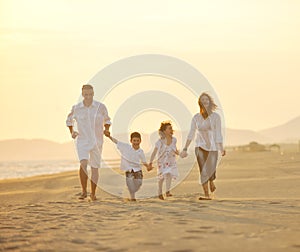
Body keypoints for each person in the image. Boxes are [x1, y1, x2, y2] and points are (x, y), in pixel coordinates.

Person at [66, 84, 111, 201]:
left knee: (95, 167)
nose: (88, 97)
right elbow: (69, 121)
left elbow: (108, 120)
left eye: (90, 94)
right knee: (83, 163)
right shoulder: (77, 108)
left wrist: (106, 129)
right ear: (82, 95)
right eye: (86, 94)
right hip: (82, 140)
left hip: (97, 141)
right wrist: (72, 132)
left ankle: (93, 193)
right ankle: (84, 191)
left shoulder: (100, 107)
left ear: (93, 94)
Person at [180, 92, 225, 200]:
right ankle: (207, 195)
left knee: (211, 169)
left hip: (213, 147)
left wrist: (221, 148)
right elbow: (191, 133)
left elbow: (218, 133)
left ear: (209, 102)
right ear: (200, 103)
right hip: (199, 146)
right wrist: (185, 148)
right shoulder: (196, 117)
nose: (205, 101)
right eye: (203, 100)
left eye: (206, 100)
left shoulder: (216, 117)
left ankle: (211, 181)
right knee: (203, 170)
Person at [106, 132, 151, 201]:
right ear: (131, 141)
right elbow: (117, 142)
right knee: (130, 184)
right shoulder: (126, 147)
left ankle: (132, 191)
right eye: (134, 141)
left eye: (137, 141)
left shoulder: (140, 151)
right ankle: (132, 197)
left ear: (140, 141)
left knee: (139, 183)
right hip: (129, 170)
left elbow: (144, 161)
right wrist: (109, 136)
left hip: (138, 170)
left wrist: (148, 166)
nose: (136, 142)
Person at [149, 121, 179, 200]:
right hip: (162, 162)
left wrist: (180, 153)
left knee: (169, 175)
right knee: (161, 177)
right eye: (169, 128)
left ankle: (167, 191)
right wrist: (150, 162)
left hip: (171, 160)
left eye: (171, 128)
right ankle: (159, 192)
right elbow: (154, 152)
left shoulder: (174, 140)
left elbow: (175, 149)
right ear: (164, 131)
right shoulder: (160, 142)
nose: (171, 130)